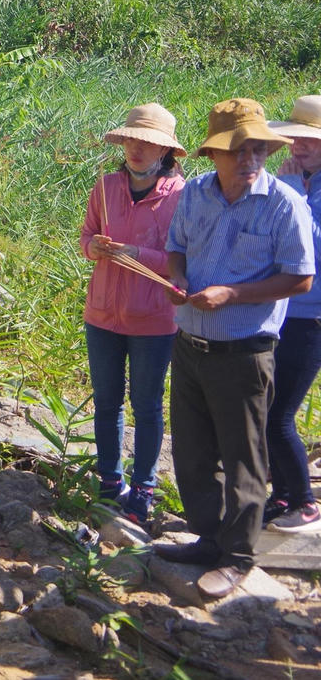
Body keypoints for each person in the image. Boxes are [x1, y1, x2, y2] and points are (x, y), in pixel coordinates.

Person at [155, 98, 314, 601]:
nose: (250, 161)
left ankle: (239, 557)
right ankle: (209, 538)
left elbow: (301, 278)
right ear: (214, 155)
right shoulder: (196, 193)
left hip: (244, 351)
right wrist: (176, 277)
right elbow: (177, 246)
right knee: (194, 451)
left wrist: (233, 294)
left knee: (244, 457)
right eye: (238, 151)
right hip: (190, 344)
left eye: (258, 151)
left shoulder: (283, 202)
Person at [80, 104, 186, 525]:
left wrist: (137, 254)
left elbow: (183, 259)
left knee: (147, 405)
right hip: (102, 313)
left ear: (165, 151)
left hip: (154, 320)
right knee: (106, 402)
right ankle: (110, 482)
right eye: (130, 140)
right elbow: (87, 235)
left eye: (147, 142)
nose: (136, 149)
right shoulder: (106, 186)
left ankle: (143, 487)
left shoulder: (181, 195)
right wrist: (95, 248)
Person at [263, 96, 321, 532]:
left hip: (311, 317)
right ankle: (281, 494)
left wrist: (297, 198)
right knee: (265, 407)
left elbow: (311, 250)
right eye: (295, 138)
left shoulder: (304, 188)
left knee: (279, 414)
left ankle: (304, 501)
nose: (298, 146)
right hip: (281, 310)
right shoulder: (300, 179)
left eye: (309, 141)